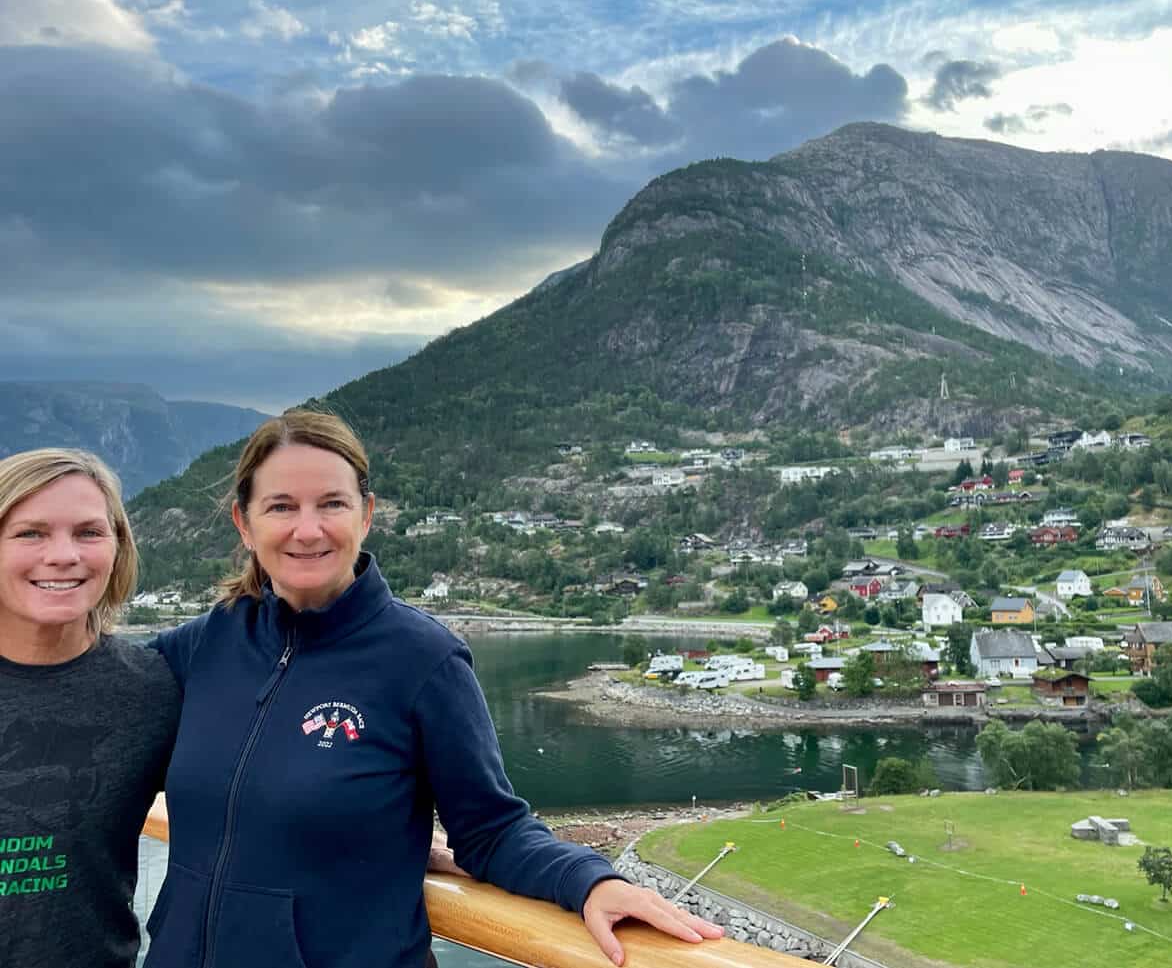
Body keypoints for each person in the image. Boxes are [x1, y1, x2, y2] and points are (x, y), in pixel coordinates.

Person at [145, 410, 722, 968]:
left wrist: (590, 881)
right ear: (244, 523)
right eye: (281, 506)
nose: (308, 528)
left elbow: (491, 829)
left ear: (366, 515)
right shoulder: (205, 645)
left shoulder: (423, 660)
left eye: (332, 504)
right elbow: (90, 700)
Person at [0, 449, 181, 968]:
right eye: (30, 533)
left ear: (118, 548)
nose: (62, 554)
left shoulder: (152, 692)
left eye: (88, 532)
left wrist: (384, 830)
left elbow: (247, 794)